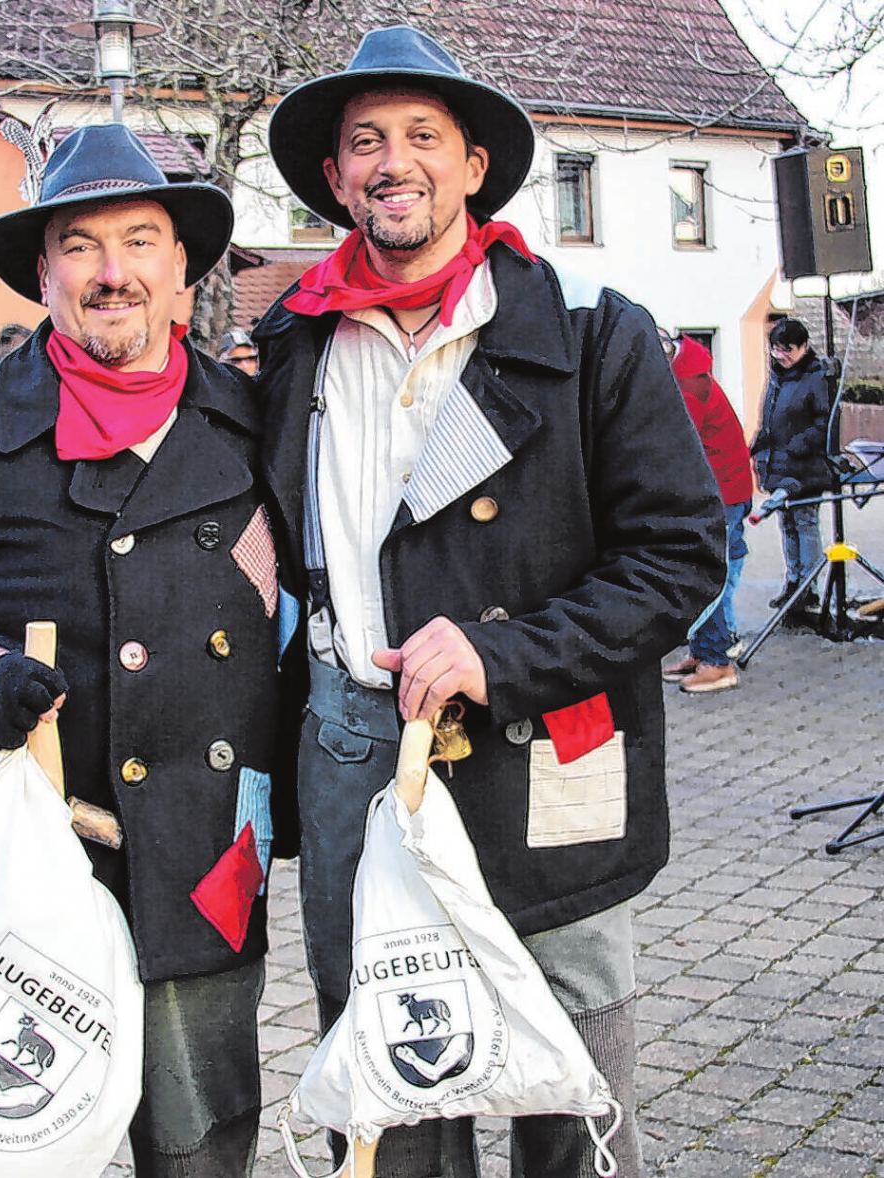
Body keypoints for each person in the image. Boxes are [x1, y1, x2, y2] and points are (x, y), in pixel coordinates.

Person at [253, 27, 725, 1178]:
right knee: (397, 1073)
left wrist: (501, 653)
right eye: (366, 141)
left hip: (549, 740)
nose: (393, 161)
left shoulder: (590, 331)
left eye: (423, 135)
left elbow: (679, 557)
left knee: (573, 1079)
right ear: (336, 178)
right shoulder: (292, 345)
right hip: (356, 747)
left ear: (474, 166)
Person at [0, 123, 290, 1176]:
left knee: (199, 1151)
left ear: (183, 270)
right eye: (80, 247)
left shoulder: (251, 419)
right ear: (44, 276)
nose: (112, 272)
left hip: (205, 864)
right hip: (22, 866)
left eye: (140, 242)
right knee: (21, 1151)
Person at [661, 335, 753, 693]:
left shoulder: (688, 386)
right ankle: (702, 652)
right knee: (705, 571)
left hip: (721, 494)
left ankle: (718, 662)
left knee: (706, 575)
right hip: (722, 489)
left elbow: (679, 447)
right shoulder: (687, 371)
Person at [750, 316, 834, 612]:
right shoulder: (777, 377)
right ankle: (793, 581)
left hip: (806, 467)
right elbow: (769, 420)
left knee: (805, 524)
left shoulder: (817, 378)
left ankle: (809, 587)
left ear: (803, 347)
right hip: (781, 465)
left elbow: (825, 422)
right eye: (776, 349)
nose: (781, 355)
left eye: (788, 349)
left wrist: (799, 445)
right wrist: (758, 446)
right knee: (787, 525)